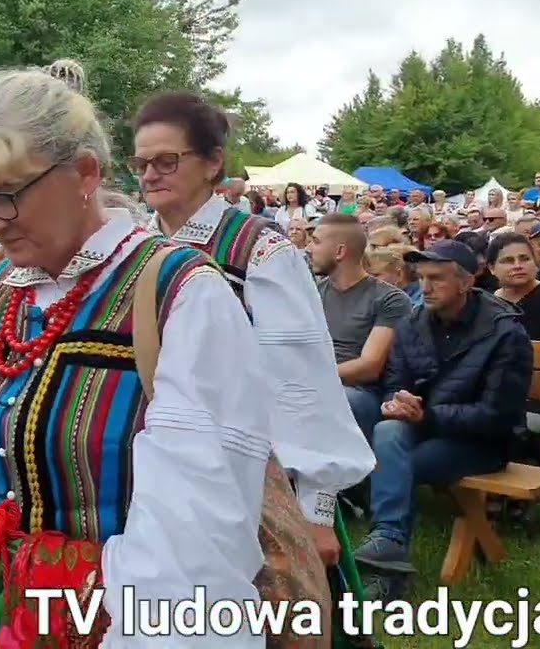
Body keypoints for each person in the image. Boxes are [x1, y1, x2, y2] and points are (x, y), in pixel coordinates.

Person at [0, 69, 273, 648]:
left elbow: (196, 525)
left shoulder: (182, 294)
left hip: (100, 615)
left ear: (84, 174)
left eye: (7, 195)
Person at [141, 91, 374, 567]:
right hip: (148, 456)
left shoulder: (259, 251)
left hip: (243, 467)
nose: (149, 175)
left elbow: (300, 379)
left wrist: (315, 508)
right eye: (141, 162)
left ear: (212, 163)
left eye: (166, 160)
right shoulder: (135, 246)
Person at [354, 240, 532, 573]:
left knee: (401, 461)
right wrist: (399, 402)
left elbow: (497, 415)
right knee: (388, 427)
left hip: (483, 441)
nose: (426, 286)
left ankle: (385, 555)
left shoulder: (504, 332)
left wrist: (427, 415)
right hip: (426, 427)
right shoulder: (413, 322)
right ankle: (388, 541)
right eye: (421, 277)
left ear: (466, 283)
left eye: (437, 278)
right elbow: (395, 381)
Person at [307, 213, 411, 441]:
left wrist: (311, 377)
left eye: (315, 242)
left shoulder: (389, 299)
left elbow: (369, 366)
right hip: (313, 382)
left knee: (331, 399)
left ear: (340, 252)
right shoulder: (313, 292)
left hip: (360, 392)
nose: (308, 248)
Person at [488, 232, 540, 342]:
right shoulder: (487, 304)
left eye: (525, 259)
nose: (518, 266)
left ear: (535, 262)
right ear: (492, 268)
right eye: (508, 261)